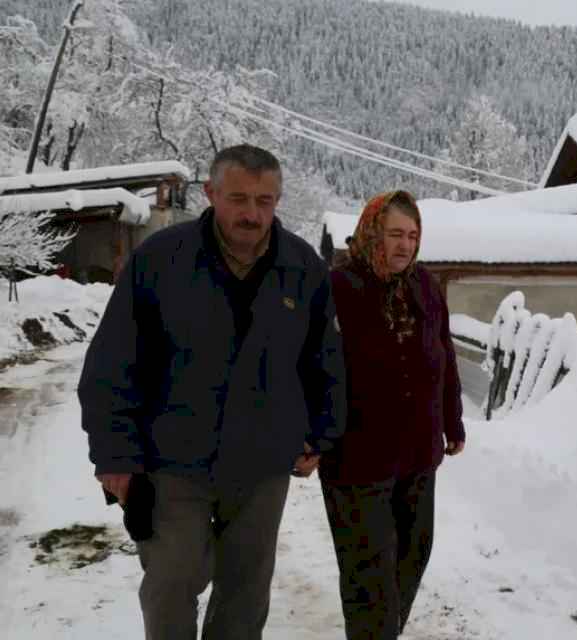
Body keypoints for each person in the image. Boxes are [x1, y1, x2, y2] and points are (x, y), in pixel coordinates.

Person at [78, 144, 346, 640]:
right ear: (211, 193)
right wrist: (114, 455)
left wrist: (322, 430)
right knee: (172, 582)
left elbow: (323, 359)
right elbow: (112, 364)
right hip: (173, 458)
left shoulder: (302, 267)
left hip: (263, 463)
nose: (252, 213)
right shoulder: (161, 259)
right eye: (239, 198)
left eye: (265, 201)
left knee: (246, 591)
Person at [321, 190, 465, 639]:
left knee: (413, 554)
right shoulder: (338, 288)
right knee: (370, 572)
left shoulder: (426, 286)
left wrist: (452, 419)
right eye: (394, 234)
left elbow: (444, 354)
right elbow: (312, 366)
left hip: (419, 455)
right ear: (371, 234)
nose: (404, 245)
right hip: (357, 458)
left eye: (412, 235)